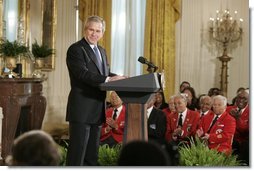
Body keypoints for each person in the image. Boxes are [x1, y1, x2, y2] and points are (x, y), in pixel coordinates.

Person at [66, 15, 125, 166]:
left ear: (102, 33)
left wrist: (119, 77)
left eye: (98, 31)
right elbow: (82, 74)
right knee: (77, 156)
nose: (94, 34)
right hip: (82, 109)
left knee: (92, 157)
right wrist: (108, 79)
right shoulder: (76, 49)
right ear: (85, 30)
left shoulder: (102, 51)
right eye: (91, 29)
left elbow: (104, 74)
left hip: (97, 109)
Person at [227, 90, 249, 165]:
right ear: (236, 99)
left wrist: (237, 119)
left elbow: (246, 131)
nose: (241, 100)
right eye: (239, 97)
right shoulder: (228, 109)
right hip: (228, 138)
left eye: (244, 98)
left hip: (242, 143)